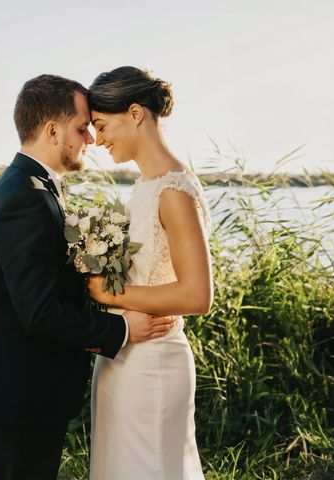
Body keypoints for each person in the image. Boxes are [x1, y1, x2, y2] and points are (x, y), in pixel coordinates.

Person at [0, 74, 174, 480]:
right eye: (82, 128)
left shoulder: (38, 187)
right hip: (17, 390)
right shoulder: (22, 198)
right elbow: (38, 311)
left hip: (29, 387)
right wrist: (120, 329)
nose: (91, 139)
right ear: (53, 130)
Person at [86, 66, 213, 479]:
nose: (98, 140)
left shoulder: (173, 190)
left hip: (154, 362)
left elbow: (197, 295)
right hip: (124, 355)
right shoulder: (145, 185)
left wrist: (111, 296)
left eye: (102, 125)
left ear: (136, 113)